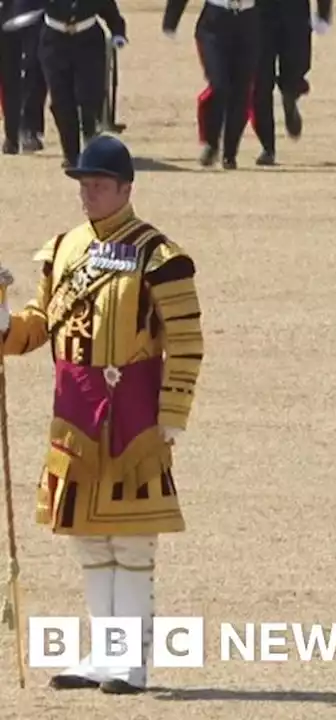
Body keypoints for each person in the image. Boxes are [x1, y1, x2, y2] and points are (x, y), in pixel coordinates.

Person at [0, 134, 204, 690]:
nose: (88, 194)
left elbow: (185, 340)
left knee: (131, 540)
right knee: (89, 538)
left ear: (125, 188)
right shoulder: (63, 248)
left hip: (133, 416)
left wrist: (173, 413)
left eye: (98, 185)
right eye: (83, 185)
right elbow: (38, 325)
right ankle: (102, 655)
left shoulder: (158, 256)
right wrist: (5, 325)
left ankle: (132, 662)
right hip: (73, 414)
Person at [162, 0, 261, 169]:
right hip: (215, 22)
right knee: (219, 84)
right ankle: (211, 143)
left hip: (249, 21)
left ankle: (230, 152)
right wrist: (171, 19)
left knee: (241, 89)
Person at [38, 0, 124, 168]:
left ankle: (91, 139)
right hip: (54, 43)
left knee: (88, 96)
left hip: (88, 43)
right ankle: (71, 154)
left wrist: (118, 33)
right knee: (61, 102)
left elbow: (110, 11)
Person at [250, 0, 331, 166]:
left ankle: (290, 97)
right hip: (257, 13)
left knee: (295, 68)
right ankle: (267, 147)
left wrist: (323, 12)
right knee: (260, 82)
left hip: (295, 10)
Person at [0, 0, 49, 155]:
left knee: (34, 67)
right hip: (4, 13)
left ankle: (30, 127)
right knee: (9, 75)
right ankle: (12, 134)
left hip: (34, 10)